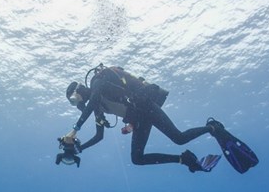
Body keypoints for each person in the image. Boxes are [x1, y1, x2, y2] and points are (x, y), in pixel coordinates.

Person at [61, 64, 222, 172]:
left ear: (78, 92)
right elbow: (99, 136)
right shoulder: (97, 109)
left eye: (74, 100)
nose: (77, 104)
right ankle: (184, 159)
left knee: (178, 138)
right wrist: (79, 149)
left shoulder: (96, 82)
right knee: (137, 158)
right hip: (138, 120)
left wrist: (75, 130)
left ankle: (212, 127)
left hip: (146, 107)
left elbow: (94, 99)